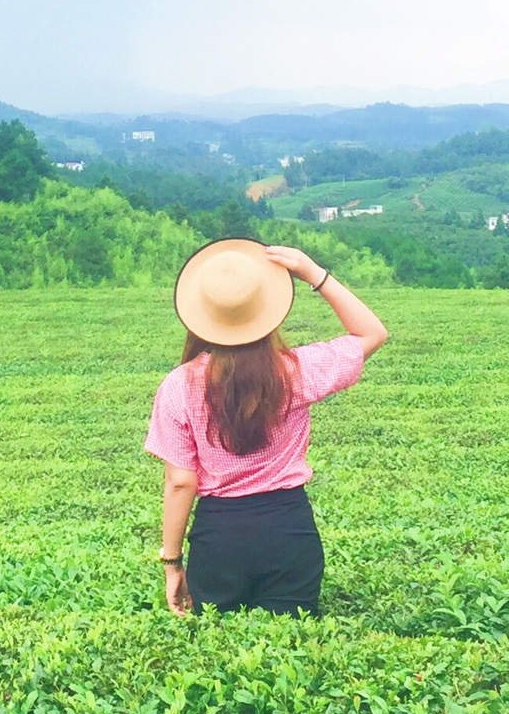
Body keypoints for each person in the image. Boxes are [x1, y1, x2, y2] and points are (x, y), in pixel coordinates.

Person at [144, 238, 388, 616]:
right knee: (292, 650)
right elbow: (372, 333)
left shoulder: (178, 385)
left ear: (199, 313)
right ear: (267, 310)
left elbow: (180, 482)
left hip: (219, 537)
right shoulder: (294, 370)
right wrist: (314, 274)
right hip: (289, 529)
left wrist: (172, 562)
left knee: (219, 656)